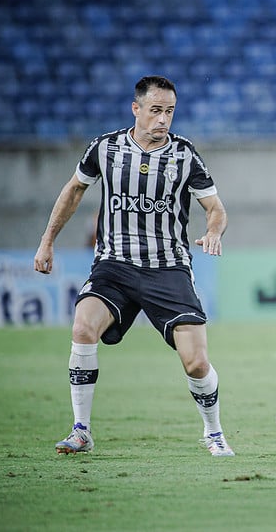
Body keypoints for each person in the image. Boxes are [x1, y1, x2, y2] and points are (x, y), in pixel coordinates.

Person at [34, 75, 234, 457]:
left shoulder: (184, 155)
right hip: (115, 266)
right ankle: (81, 430)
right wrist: (47, 242)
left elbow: (216, 209)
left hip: (168, 267)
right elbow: (74, 190)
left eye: (170, 112)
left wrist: (214, 232)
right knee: (82, 325)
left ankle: (213, 432)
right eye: (156, 111)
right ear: (136, 109)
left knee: (195, 362)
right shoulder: (105, 149)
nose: (163, 120)